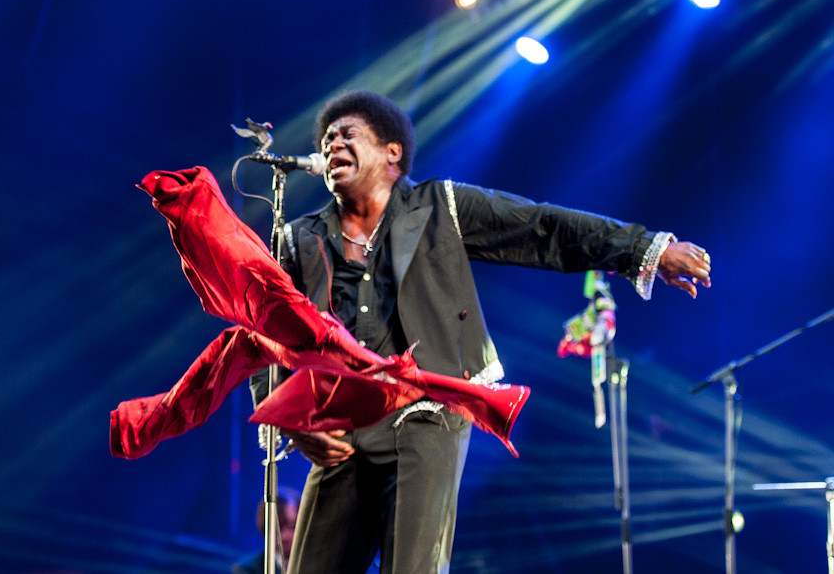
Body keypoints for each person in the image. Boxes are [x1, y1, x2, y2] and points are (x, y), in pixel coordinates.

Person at [254, 90, 712, 574]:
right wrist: (288, 418)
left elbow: (541, 227)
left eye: (347, 134)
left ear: (392, 153)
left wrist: (644, 248)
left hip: (425, 413)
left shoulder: (440, 206)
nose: (332, 145)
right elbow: (265, 336)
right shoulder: (298, 238)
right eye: (327, 139)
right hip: (342, 426)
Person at [232, 487, 301, 574]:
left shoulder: (315, 563)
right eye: (277, 529)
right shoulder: (249, 569)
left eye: (292, 527)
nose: (284, 536)